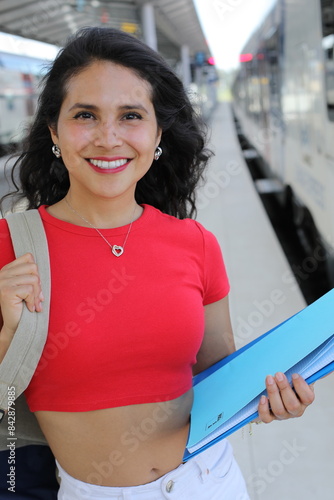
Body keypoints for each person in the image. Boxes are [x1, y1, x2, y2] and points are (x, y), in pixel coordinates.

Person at [0, 27, 315, 500]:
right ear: (54, 132)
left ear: (157, 133)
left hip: (211, 483)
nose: (109, 138)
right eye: (85, 115)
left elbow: (220, 374)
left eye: (131, 116)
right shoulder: (10, 246)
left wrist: (270, 397)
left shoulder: (196, 243)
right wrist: (7, 332)